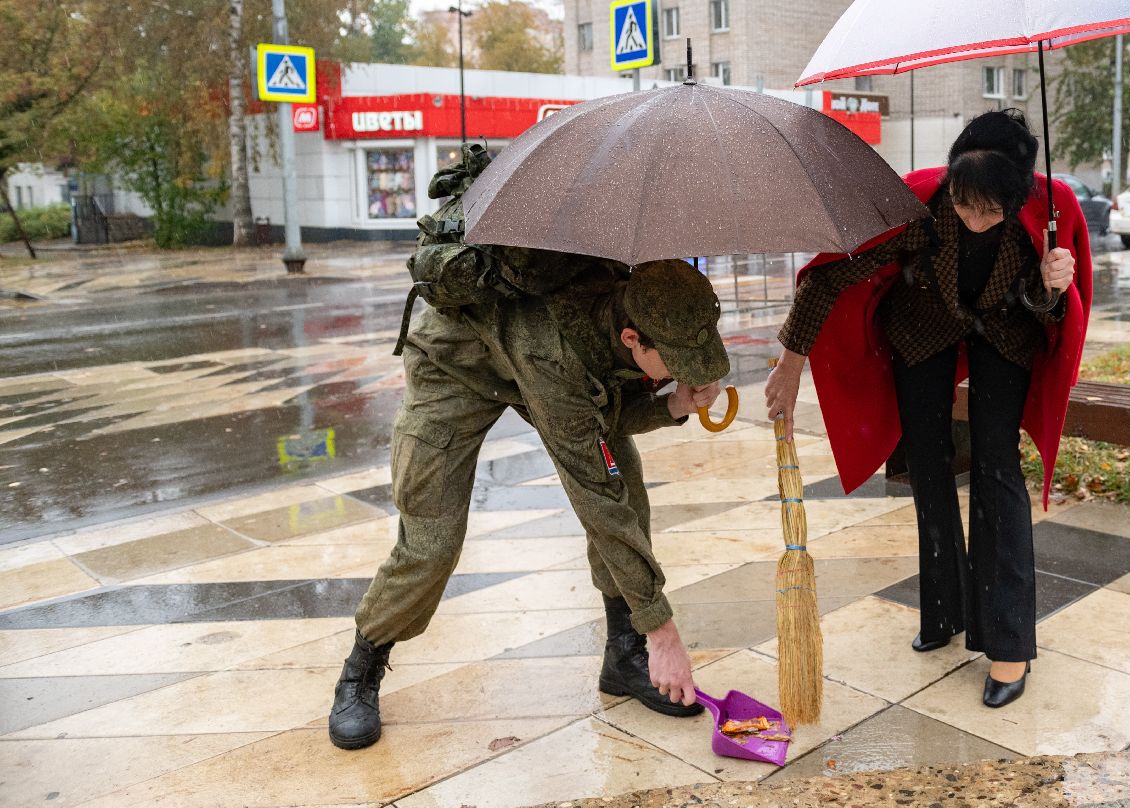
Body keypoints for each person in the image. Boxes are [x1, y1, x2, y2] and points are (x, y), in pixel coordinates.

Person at [328, 256, 729, 749]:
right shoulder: (554, 352)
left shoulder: (619, 289)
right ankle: (361, 667)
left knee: (623, 479)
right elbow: (595, 498)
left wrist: (673, 403)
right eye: (677, 361)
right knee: (431, 543)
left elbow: (603, 414)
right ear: (632, 339)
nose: (685, 372)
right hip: (455, 368)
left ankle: (624, 654)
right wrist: (662, 633)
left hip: (538, 369)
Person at [764, 109, 1090, 710]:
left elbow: (1051, 317)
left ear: (1016, 200)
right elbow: (831, 276)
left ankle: (1008, 642)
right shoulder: (919, 205)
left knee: (997, 467)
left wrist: (1051, 285)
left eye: (989, 212)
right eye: (964, 205)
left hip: (1004, 331)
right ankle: (943, 609)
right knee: (928, 463)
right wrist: (790, 365)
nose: (973, 220)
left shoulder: (1044, 217)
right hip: (924, 325)